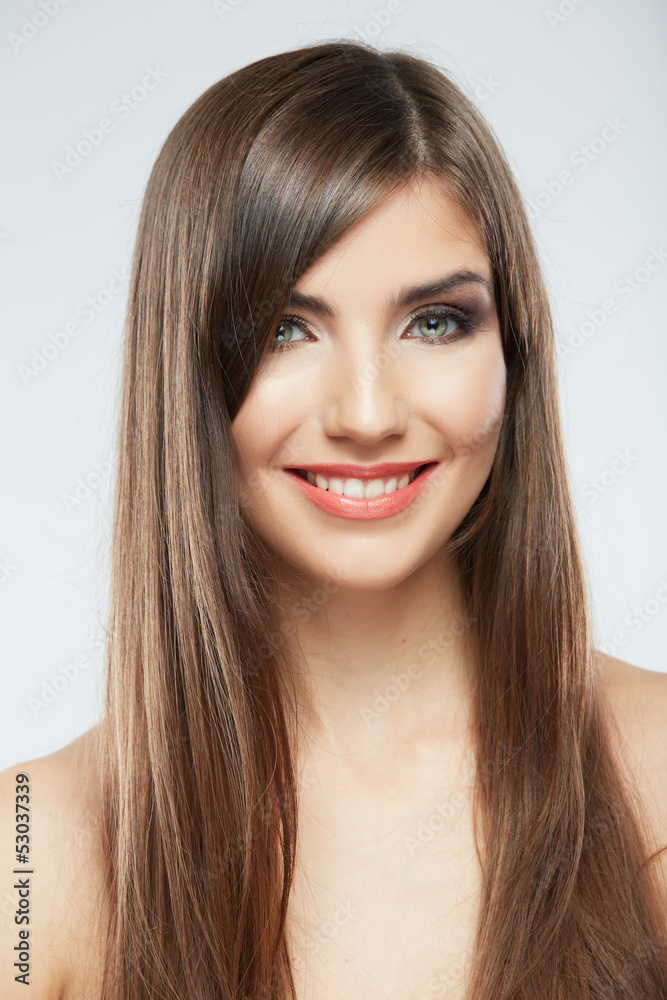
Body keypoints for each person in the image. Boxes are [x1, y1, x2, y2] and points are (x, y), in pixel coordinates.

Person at [2, 39, 666, 1000]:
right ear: (186, 370)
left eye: (433, 322)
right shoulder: (28, 848)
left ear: (512, 353)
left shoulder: (654, 770)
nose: (365, 414)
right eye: (286, 329)